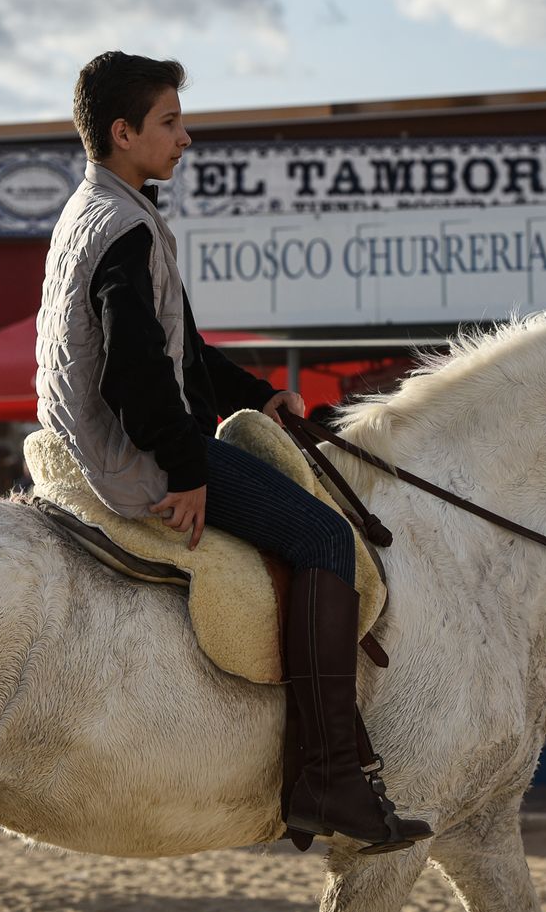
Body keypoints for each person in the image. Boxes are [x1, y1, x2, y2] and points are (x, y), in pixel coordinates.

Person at [34, 52, 431, 852]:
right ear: (124, 131)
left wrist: (256, 395)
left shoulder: (95, 209)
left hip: (91, 438)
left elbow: (179, 353)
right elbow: (137, 371)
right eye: (171, 121)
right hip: (133, 452)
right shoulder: (125, 227)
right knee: (323, 538)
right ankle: (326, 776)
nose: (187, 136)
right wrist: (185, 474)